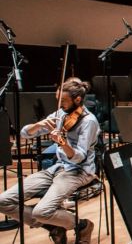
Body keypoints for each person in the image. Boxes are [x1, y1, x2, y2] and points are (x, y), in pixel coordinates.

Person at [0, 79, 98, 244]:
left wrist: (62, 143)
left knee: (41, 211)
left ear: (78, 100)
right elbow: (25, 133)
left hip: (78, 171)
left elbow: (79, 156)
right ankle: (54, 226)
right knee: (3, 201)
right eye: (58, 100)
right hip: (57, 168)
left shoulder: (89, 122)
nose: (60, 105)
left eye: (64, 101)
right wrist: (38, 125)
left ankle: (81, 225)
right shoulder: (61, 114)